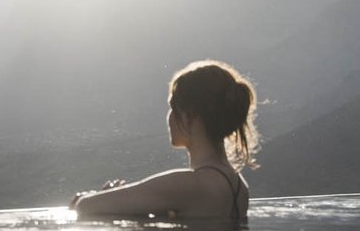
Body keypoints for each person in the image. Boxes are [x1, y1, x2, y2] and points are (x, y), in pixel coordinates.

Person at [69, 60, 255, 221]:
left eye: (172, 107)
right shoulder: (239, 186)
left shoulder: (189, 184)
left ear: (192, 116)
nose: (169, 117)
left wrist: (101, 196)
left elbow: (84, 206)